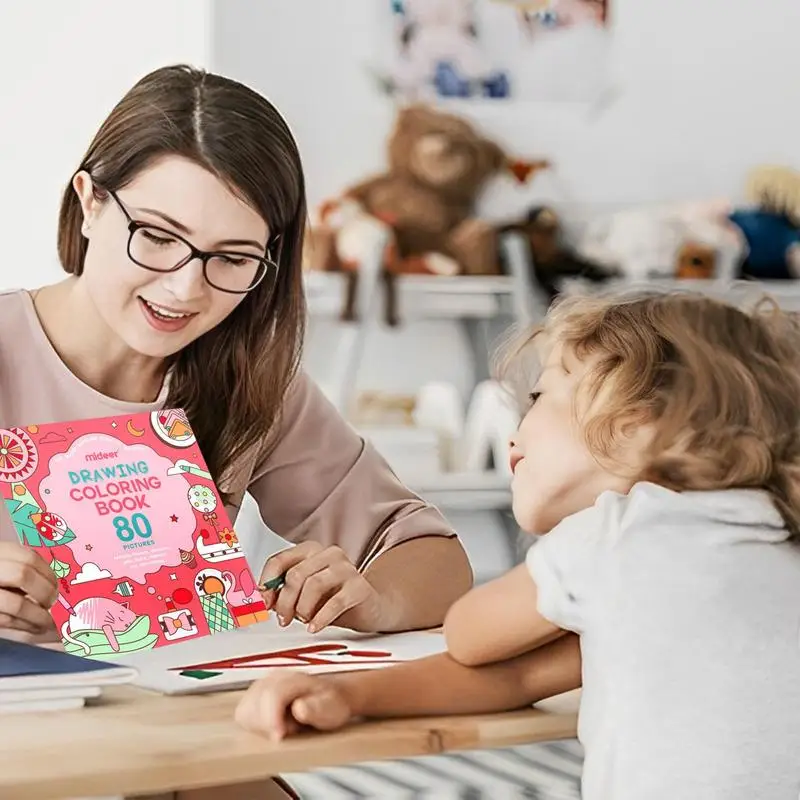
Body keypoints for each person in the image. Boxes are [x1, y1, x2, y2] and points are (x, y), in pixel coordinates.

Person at [0, 64, 472, 799]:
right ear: (89, 202)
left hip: (181, 748)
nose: (185, 288)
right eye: (156, 237)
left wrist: (374, 600)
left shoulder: (252, 384)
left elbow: (432, 559)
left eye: (232, 258)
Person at [237, 290, 800, 800]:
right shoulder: (774, 538)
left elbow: (471, 635)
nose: (515, 429)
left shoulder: (618, 534)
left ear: (637, 424)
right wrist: (355, 698)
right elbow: (522, 678)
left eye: (538, 397)